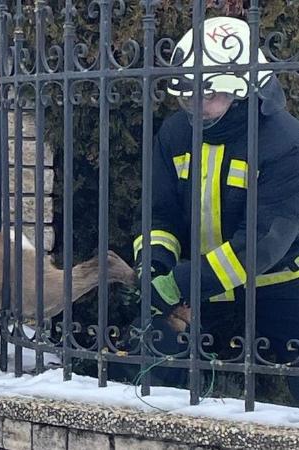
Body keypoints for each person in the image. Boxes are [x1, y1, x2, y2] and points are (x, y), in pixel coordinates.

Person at [134, 16, 299, 399]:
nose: (195, 104)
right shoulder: (175, 133)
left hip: (277, 291)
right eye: (187, 94)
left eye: (207, 95)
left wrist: (181, 282)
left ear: (243, 90)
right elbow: (160, 215)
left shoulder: (285, 142)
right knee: (152, 364)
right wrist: (155, 265)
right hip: (200, 293)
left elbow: (261, 243)